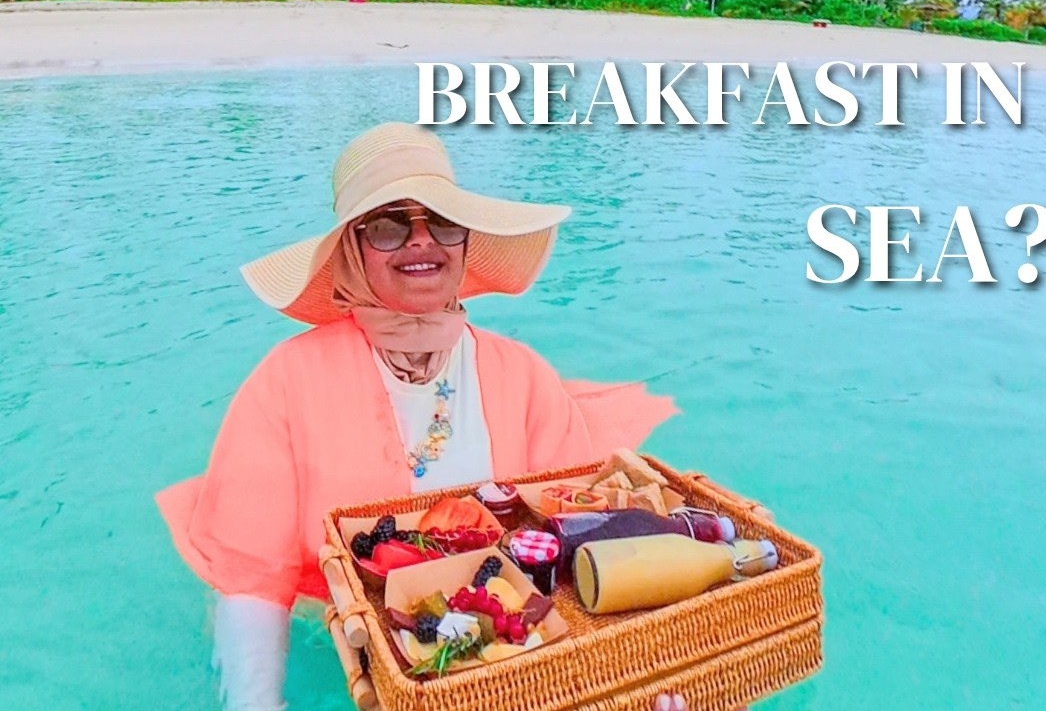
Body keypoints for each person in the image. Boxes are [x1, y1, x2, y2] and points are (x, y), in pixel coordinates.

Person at [155, 122, 694, 710]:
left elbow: (577, 543)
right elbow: (253, 581)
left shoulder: (522, 374)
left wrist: (636, 675)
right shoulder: (285, 381)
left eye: (442, 221)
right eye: (388, 226)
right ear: (352, 251)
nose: (420, 241)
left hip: (508, 643)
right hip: (343, 641)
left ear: (463, 243)